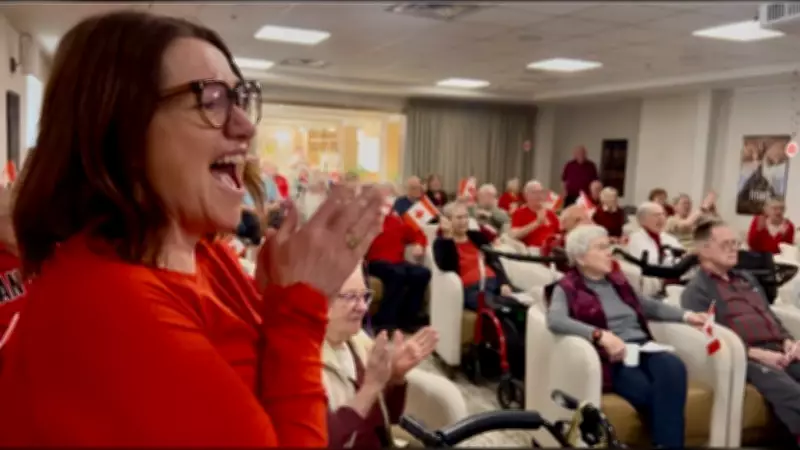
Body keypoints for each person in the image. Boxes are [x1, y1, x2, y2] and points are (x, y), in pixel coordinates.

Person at [0, 11, 385, 446]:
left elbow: (260, 397)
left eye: (241, 99)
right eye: (211, 99)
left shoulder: (204, 253)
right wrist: (300, 306)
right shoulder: (107, 302)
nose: (244, 126)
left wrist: (275, 299)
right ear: (120, 127)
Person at [547, 224, 706, 448]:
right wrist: (599, 335)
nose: (609, 252)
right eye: (601, 247)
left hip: (644, 346)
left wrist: (688, 316)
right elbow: (556, 320)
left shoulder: (618, 281)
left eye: (608, 246)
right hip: (615, 355)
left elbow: (648, 305)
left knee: (674, 367)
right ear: (581, 258)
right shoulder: (567, 287)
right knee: (647, 392)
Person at [682, 219, 800, 443]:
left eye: (735, 243)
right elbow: (709, 339)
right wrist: (755, 353)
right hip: (744, 356)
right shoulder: (696, 291)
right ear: (704, 249)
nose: (734, 248)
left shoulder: (747, 278)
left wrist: (789, 341)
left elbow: (770, 315)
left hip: (778, 348)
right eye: (726, 244)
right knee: (793, 394)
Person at [325, 264, 438, 449]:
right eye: (350, 296)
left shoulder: (357, 341)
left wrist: (394, 376)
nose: (362, 307)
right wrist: (370, 388)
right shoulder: (300, 363)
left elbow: (388, 419)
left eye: (364, 296)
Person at [433, 202, 520, 311]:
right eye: (459, 218)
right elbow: (447, 265)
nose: (464, 221)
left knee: (521, 304)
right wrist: (448, 237)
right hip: (472, 288)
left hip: (494, 282)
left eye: (466, 217)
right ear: (448, 220)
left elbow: (494, 260)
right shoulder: (442, 243)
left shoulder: (477, 236)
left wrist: (504, 283)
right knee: (501, 308)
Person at [365, 204, 430, 332]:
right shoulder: (368, 221)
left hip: (397, 262)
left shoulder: (396, 221)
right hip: (375, 261)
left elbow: (418, 234)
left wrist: (419, 244)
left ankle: (407, 318)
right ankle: (385, 322)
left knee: (422, 273)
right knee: (397, 274)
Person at [626, 202, 683, 267]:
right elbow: (651, 262)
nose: (662, 218)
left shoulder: (670, 238)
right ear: (643, 220)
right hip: (650, 276)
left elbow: (681, 257)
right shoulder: (636, 238)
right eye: (656, 215)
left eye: (663, 214)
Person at [509, 180, 560, 250]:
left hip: (552, 251)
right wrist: (537, 223)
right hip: (531, 252)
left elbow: (561, 233)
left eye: (540, 192)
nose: (539, 195)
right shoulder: (519, 213)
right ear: (526, 195)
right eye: (534, 192)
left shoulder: (550, 213)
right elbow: (514, 235)